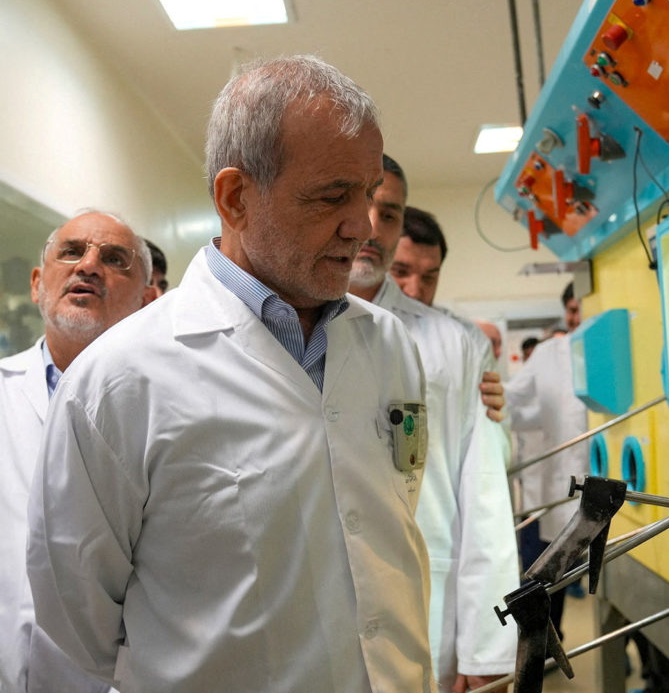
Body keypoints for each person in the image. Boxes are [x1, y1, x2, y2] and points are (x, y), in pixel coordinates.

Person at [27, 56, 435, 693]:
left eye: (368, 193)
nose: (361, 226)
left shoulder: (390, 346)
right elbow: (74, 635)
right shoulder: (119, 382)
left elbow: (386, 537)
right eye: (333, 196)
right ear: (236, 197)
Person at [349, 154, 517, 693]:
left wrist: (488, 644)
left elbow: (486, 494)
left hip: (428, 605)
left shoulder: (458, 345)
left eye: (389, 212)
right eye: (359, 203)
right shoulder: (286, 328)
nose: (372, 225)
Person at [1, 210, 155, 693]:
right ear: (37, 283)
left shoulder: (170, 412)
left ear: (149, 301)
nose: (88, 265)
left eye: (114, 259)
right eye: (71, 251)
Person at [504, 282, 589, 638]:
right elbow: (511, 401)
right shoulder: (550, 353)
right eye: (571, 309)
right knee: (549, 575)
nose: (576, 317)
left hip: (620, 486)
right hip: (559, 493)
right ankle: (549, 640)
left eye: (581, 307)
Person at [391, 206, 505, 421]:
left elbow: (486, 433)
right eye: (400, 272)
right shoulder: (337, 326)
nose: (414, 291)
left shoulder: (469, 339)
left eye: (428, 277)